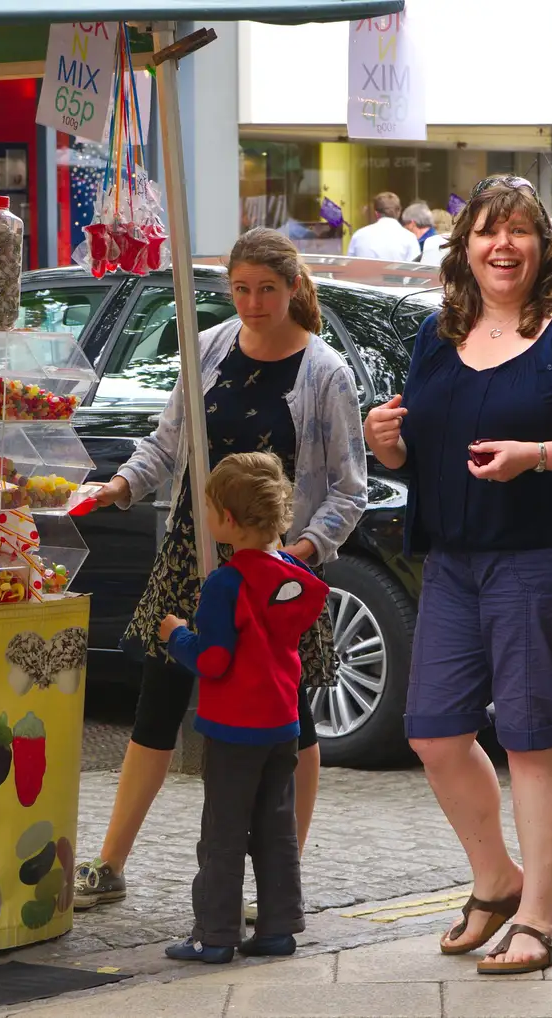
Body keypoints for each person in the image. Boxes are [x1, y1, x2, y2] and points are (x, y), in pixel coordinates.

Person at [362, 175, 552, 976]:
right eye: (488, 231)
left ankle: (539, 919)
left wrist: (537, 456)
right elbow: (415, 452)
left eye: (519, 231)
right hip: (455, 560)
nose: (503, 245)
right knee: (434, 732)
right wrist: (384, 440)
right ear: (466, 249)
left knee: (530, 736)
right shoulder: (437, 334)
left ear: (542, 245)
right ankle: (495, 879)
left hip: (545, 558)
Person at [74, 227, 368, 912]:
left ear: (294, 287)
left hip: (275, 568)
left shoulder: (324, 372)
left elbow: (351, 488)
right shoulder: (207, 349)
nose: (253, 302)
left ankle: (279, 879)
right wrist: (118, 487)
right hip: (192, 554)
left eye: (267, 289)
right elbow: (166, 444)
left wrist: (299, 553)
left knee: (288, 716)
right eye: (240, 289)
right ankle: (110, 863)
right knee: (158, 702)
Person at [158, 452, 330, 964]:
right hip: (282, 722)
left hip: (234, 728)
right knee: (276, 827)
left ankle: (214, 935)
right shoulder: (293, 575)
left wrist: (177, 635)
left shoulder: (225, 583)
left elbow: (213, 660)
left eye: (209, 508)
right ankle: (279, 926)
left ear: (227, 521)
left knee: (223, 833)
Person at [347, 191, 419, 261]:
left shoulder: (359, 235)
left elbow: (349, 265)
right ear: (399, 212)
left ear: (376, 213)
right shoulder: (409, 238)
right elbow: (415, 270)